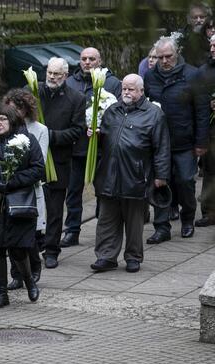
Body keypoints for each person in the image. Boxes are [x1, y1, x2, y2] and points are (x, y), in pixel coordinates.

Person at [91, 74, 170, 273]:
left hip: (136, 176)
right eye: (124, 88)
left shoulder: (154, 114)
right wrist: (95, 137)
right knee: (107, 219)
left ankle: (133, 257)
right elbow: (104, 143)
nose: (126, 92)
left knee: (134, 222)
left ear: (141, 91)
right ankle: (106, 257)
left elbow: (162, 147)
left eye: (131, 89)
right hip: (109, 175)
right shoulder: (112, 110)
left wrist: (161, 176)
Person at [144, 35, 210, 243]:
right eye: (160, 57)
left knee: (184, 181)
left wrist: (201, 142)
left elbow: (201, 111)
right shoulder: (150, 76)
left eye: (168, 56)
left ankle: (188, 218)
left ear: (177, 54)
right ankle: (161, 226)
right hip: (158, 143)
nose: (164, 61)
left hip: (184, 139)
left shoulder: (193, 75)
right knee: (160, 183)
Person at [0, 107, 45, 308]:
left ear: (13, 120)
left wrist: (13, 181)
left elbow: (37, 168)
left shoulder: (28, 140)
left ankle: (28, 280)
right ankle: (1, 293)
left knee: (18, 249)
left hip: (19, 201)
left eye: (2, 119)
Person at [64, 47, 123, 248]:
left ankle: (103, 228)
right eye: (83, 59)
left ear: (100, 61)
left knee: (102, 190)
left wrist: (102, 129)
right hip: (76, 146)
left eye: (92, 59)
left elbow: (119, 113)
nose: (87, 62)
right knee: (73, 191)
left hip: (102, 148)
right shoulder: (70, 83)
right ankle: (72, 230)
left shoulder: (113, 83)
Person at [37, 57, 87, 269]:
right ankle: (33, 244)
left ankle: (51, 250)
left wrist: (50, 136)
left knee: (55, 209)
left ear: (65, 76)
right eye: (50, 72)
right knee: (33, 206)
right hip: (34, 159)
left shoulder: (76, 98)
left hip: (59, 160)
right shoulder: (34, 90)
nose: (52, 77)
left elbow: (77, 130)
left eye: (57, 74)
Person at [2, 89, 49, 291]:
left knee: (28, 234)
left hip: (30, 188)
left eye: (17, 109)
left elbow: (41, 161)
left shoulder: (40, 129)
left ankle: (34, 266)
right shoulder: (4, 128)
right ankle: (16, 274)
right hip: (10, 189)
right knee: (11, 234)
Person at [199, 32, 215, 227]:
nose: (212, 49)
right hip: (213, 128)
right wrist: (211, 104)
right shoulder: (205, 70)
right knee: (210, 169)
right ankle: (210, 212)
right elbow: (197, 97)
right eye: (211, 45)